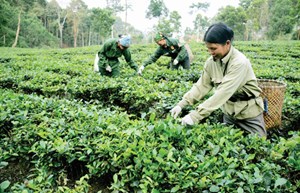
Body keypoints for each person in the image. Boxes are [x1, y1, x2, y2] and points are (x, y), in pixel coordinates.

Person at [170, 23, 267, 137]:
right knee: (228, 146)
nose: (211, 52)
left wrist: (195, 116)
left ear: (227, 43)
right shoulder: (211, 62)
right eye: (208, 49)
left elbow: (223, 92)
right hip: (228, 112)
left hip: (248, 114)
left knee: (258, 145)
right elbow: (201, 86)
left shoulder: (239, 62)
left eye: (214, 48)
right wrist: (181, 104)